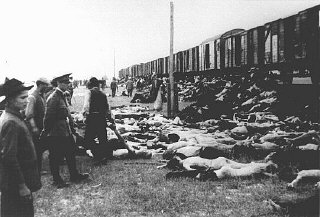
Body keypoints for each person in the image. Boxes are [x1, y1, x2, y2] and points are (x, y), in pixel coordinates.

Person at [0, 78, 42, 217]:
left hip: (17, 181)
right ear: (10, 100)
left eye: (27, 97)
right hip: (15, 184)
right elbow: (9, 158)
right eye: (22, 98)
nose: (26, 100)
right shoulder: (11, 122)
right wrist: (21, 186)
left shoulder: (13, 116)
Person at [42, 73, 89, 188]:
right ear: (58, 83)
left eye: (68, 82)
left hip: (65, 130)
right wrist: (45, 132)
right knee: (55, 156)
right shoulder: (53, 98)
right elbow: (48, 117)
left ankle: (74, 175)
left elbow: (67, 114)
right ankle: (56, 179)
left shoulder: (62, 96)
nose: (67, 84)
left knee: (70, 153)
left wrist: (72, 129)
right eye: (64, 82)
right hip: (56, 132)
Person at [82, 77, 115, 164]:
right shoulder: (103, 94)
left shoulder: (89, 92)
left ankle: (98, 155)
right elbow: (107, 108)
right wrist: (110, 119)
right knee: (102, 138)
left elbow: (86, 106)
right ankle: (105, 155)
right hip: (101, 118)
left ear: (90, 84)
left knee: (88, 139)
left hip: (92, 117)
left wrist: (85, 116)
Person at [25, 77, 50, 175]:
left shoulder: (41, 95)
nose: (47, 86)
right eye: (45, 84)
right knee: (36, 150)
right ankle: (36, 171)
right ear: (40, 84)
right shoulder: (32, 97)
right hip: (35, 129)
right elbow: (29, 114)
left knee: (40, 149)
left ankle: (38, 169)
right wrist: (34, 127)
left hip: (41, 128)